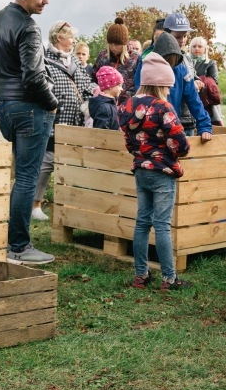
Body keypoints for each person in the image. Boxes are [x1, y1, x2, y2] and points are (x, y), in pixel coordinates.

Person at [0, 0, 59, 265]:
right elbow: (33, 76)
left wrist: (4, 99)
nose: (46, 2)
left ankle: (11, 241)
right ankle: (18, 246)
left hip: (6, 106)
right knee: (27, 178)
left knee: (20, 177)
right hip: (30, 108)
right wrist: (52, 103)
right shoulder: (29, 27)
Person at [120, 53, 192, 291]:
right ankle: (169, 278)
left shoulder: (128, 105)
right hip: (163, 171)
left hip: (141, 169)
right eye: (168, 87)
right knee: (162, 225)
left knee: (142, 222)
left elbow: (129, 142)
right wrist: (174, 151)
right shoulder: (163, 108)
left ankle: (141, 274)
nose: (169, 91)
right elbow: (180, 145)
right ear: (160, 85)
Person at [33, 20, 93, 221]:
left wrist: (96, 91)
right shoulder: (45, 60)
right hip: (53, 122)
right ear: (59, 37)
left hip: (75, 124)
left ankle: (66, 205)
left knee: (70, 165)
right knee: (46, 164)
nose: (74, 41)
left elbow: (86, 83)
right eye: (71, 37)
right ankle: (35, 204)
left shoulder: (74, 60)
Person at [140, 30, 214, 141]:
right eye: (167, 61)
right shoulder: (146, 69)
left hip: (172, 125)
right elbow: (140, 94)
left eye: (174, 62)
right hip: (149, 129)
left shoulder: (181, 70)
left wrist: (204, 127)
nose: (170, 65)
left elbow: (194, 100)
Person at [91, 17, 138, 101]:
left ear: (124, 44)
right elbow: (93, 78)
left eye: (117, 44)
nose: (113, 47)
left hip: (127, 103)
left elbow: (138, 83)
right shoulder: (103, 56)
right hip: (104, 102)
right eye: (111, 44)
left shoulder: (135, 58)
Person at [188, 36, 223, 126]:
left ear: (205, 49)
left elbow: (214, 82)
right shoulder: (186, 62)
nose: (197, 48)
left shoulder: (210, 63)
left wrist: (198, 81)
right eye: (194, 46)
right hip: (189, 98)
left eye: (200, 46)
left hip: (206, 102)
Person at [89, 65, 124, 131]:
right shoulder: (104, 108)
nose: (122, 89)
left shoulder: (110, 104)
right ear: (110, 86)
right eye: (119, 85)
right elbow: (101, 132)